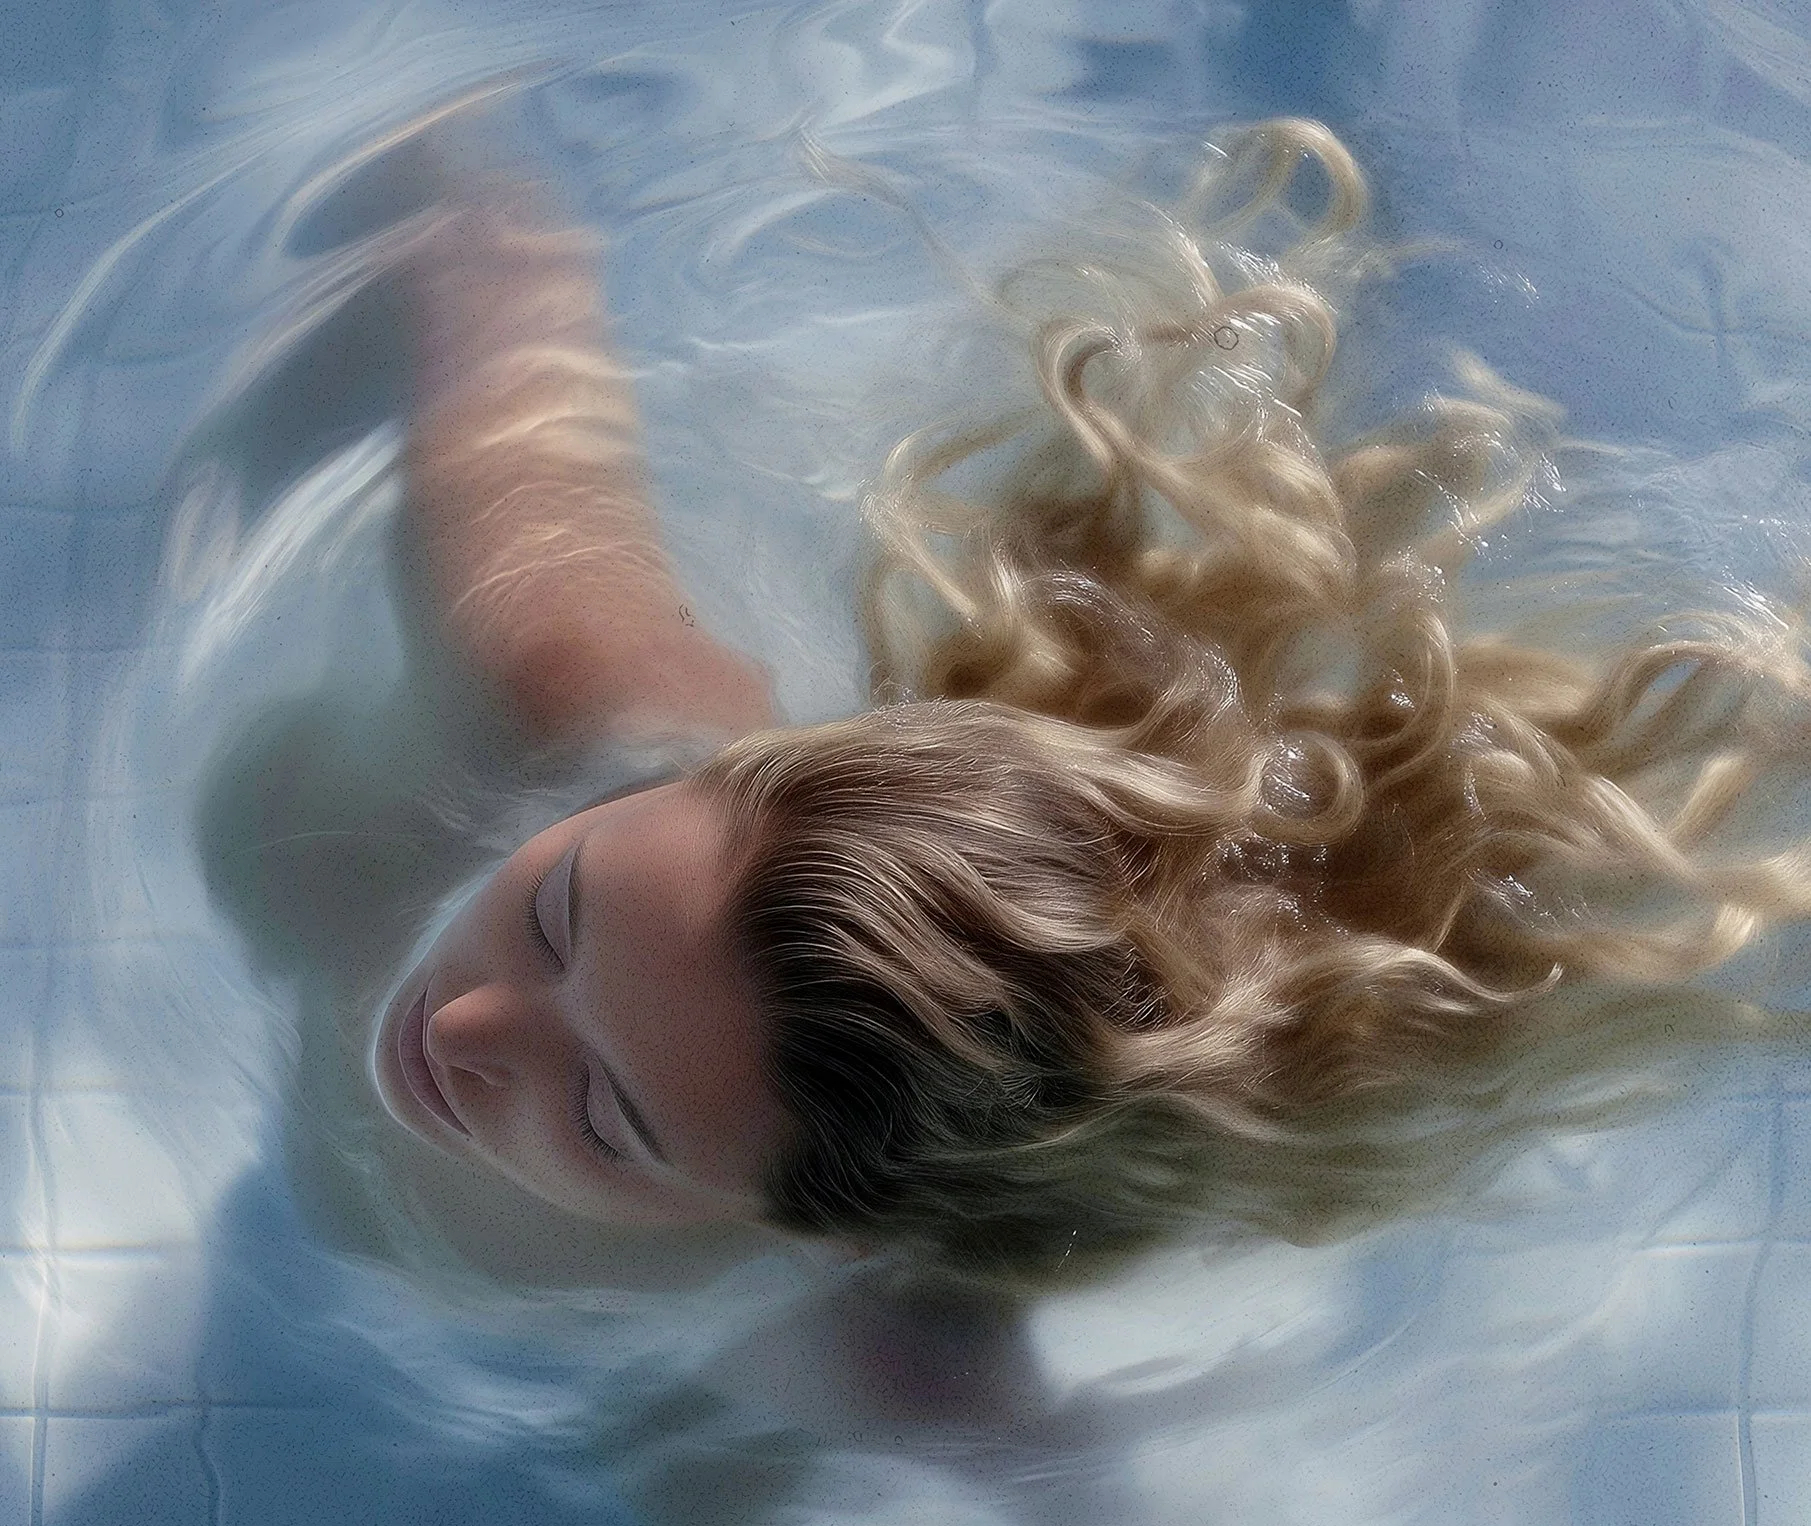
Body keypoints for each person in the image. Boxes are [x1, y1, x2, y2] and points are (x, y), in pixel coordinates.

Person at [228, 114, 1811, 1307]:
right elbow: (491, 253)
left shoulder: (871, 1279)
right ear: (736, 773)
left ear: (810, 1222)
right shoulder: (558, 662)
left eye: (611, 1117)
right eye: (561, 909)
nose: (462, 1023)